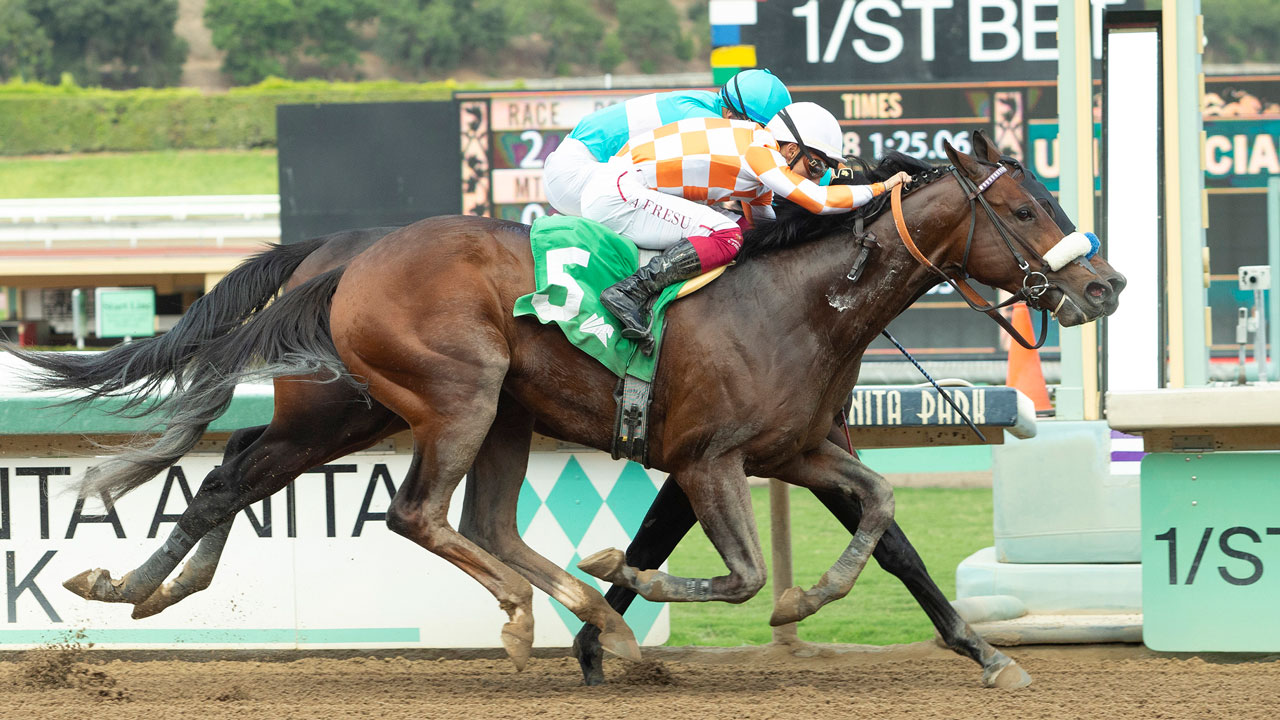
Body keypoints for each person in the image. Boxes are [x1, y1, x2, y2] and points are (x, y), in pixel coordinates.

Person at [582, 102, 911, 351]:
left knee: (734, 230)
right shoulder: (760, 152)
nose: (816, 175)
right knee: (725, 235)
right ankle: (629, 292)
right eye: (815, 165)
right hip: (616, 193)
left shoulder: (757, 166)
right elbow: (817, 200)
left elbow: (763, 230)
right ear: (791, 149)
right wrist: (882, 188)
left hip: (622, 187)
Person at [542, 69, 793, 217]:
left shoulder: (713, 107)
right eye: (762, 132)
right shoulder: (706, 121)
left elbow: (756, 202)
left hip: (587, 170)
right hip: (576, 176)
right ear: (731, 116)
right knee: (713, 224)